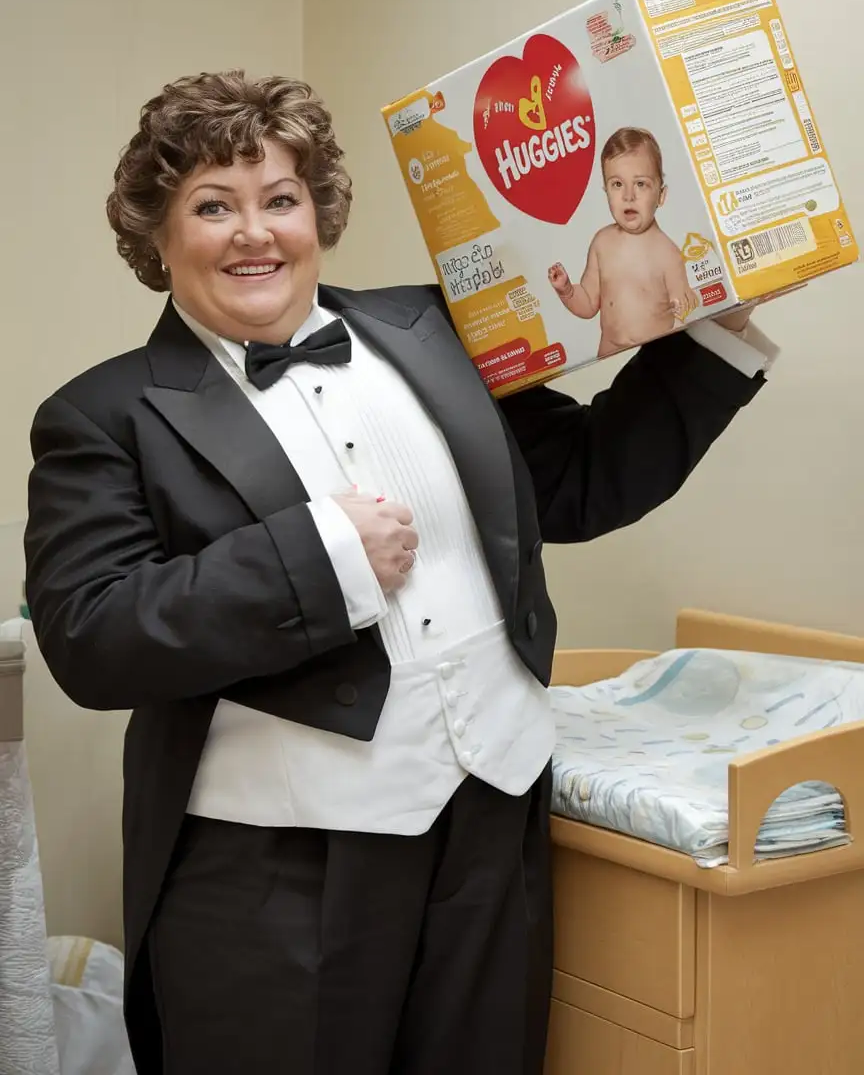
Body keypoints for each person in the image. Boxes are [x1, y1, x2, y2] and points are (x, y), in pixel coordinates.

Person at [24, 72, 777, 1075]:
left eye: (280, 199)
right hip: (273, 872)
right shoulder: (101, 415)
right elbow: (92, 636)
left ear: (318, 215)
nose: (255, 232)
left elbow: (579, 480)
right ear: (158, 238)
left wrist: (717, 330)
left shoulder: (433, 329)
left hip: (493, 827)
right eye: (214, 206)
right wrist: (324, 555)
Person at [548, 127, 702, 357]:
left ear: (661, 195)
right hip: (608, 353)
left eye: (640, 184)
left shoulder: (667, 253)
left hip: (653, 357)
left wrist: (685, 303)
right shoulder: (602, 243)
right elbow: (589, 303)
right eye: (617, 184)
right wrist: (568, 291)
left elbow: (684, 307)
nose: (628, 196)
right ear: (606, 191)